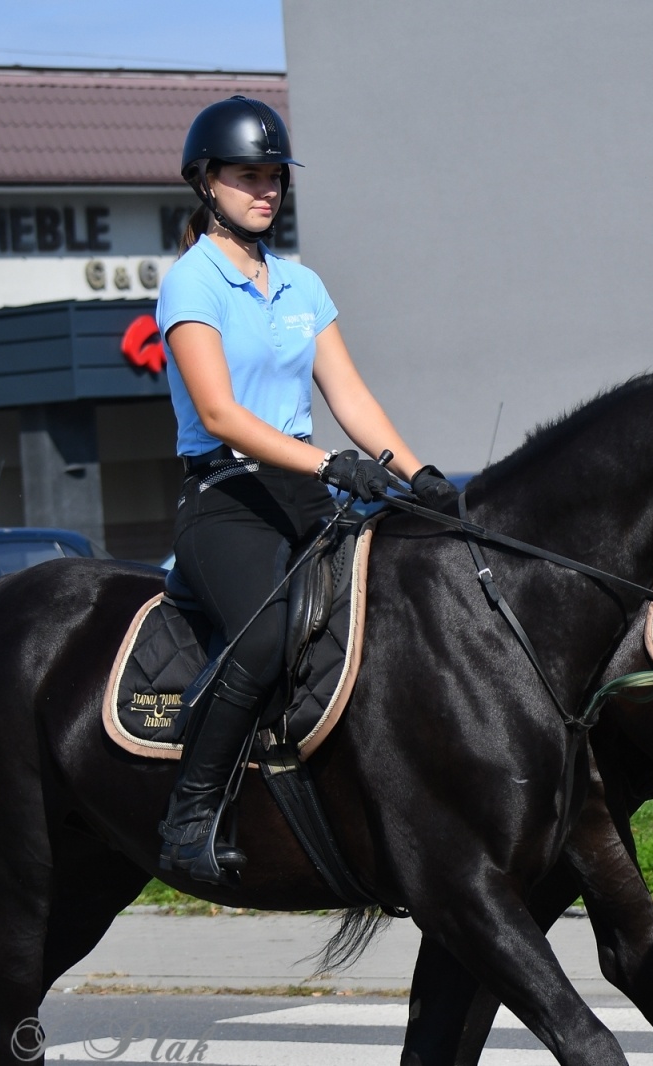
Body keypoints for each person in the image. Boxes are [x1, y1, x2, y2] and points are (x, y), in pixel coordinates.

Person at [156, 96, 460, 885]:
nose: (266, 190)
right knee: (263, 639)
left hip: (305, 491)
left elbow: (350, 396)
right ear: (205, 182)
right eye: (247, 176)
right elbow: (220, 413)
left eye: (274, 177)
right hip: (227, 495)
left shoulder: (301, 284)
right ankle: (189, 818)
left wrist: (419, 474)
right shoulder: (193, 283)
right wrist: (327, 464)